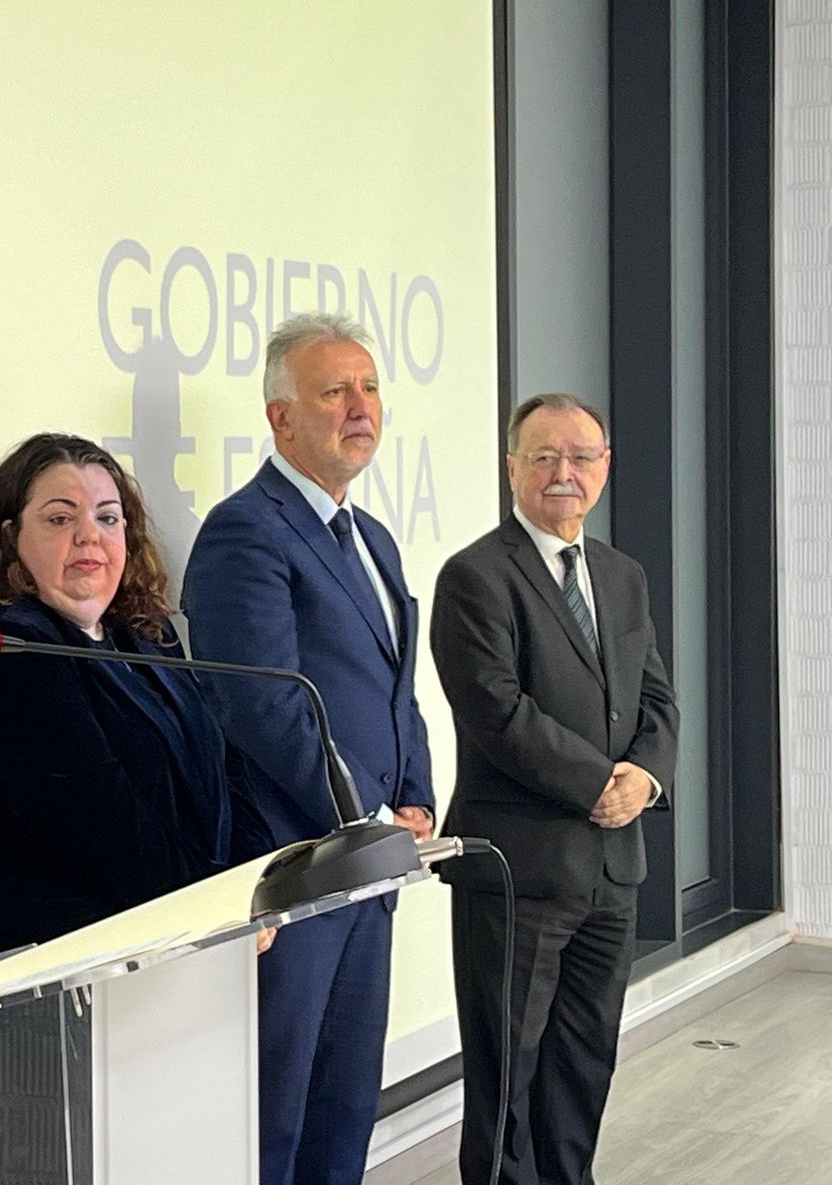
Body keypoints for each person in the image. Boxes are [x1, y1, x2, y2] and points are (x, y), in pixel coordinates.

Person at [0, 433, 272, 1185]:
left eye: (108, 518)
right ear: (9, 539)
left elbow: (225, 771)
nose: (90, 536)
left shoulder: (145, 639)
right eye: (60, 518)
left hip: (155, 977)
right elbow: (101, 822)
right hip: (35, 997)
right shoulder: (3, 655)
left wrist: (251, 891)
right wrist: (215, 914)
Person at [182, 312, 435, 1185]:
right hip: (294, 872)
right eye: (335, 391)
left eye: (369, 388)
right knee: (274, 1122)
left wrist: (416, 798)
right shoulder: (245, 531)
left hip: (370, 868)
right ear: (281, 417)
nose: (360, 407)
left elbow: (396, 692)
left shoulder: (373, 538)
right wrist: (369, 815)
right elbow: (263, 707)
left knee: (345, 1110)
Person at [430, 393, 677, 1185]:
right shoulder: (475, 576)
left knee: (582, 1066)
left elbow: (656, 700)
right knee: (509, 1077)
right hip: (519, 873)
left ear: (605, 468)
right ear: (512, 469)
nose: (563, 472)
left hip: (612, 869)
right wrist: (598, 782)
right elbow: (496, 712)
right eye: (543, 457)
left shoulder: (622, 575)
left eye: (581, 457)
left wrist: (644, 777)